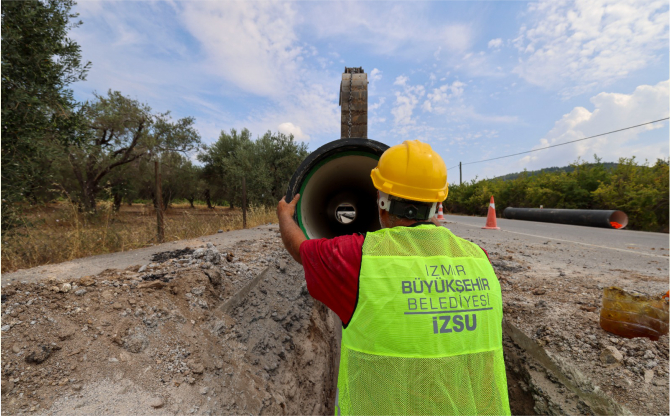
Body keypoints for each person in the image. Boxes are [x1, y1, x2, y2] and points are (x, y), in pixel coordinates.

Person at [277, 140, 510, 416]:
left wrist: (285, 218)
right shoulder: (479, 258)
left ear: (381, 202)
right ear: (437, 203)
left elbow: (302, 251)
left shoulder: (357, 258)